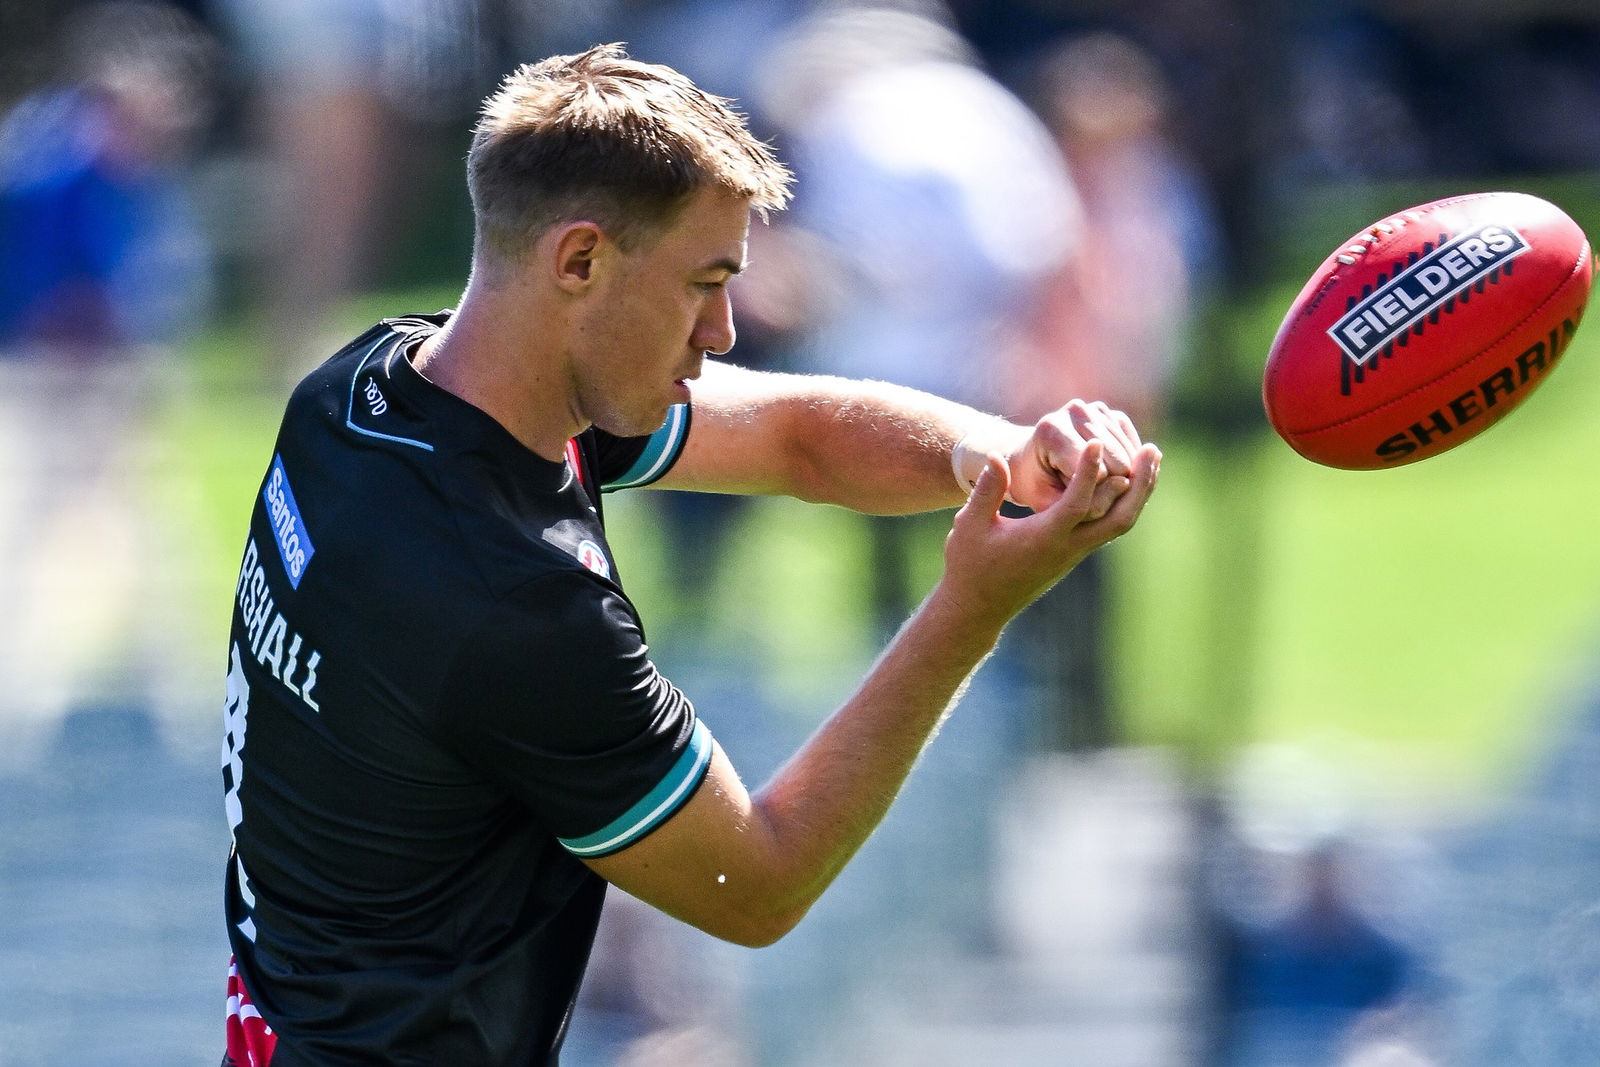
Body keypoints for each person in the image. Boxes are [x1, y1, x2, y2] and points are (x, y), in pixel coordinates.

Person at [219, 44, 1160, 1066]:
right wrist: (973, 605)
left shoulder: (366, 390)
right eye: (702, 283)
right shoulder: (513, 606)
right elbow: (757, 881)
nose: (723, 329)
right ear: (578, 261)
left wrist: (1004, 457)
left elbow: (793, 435)